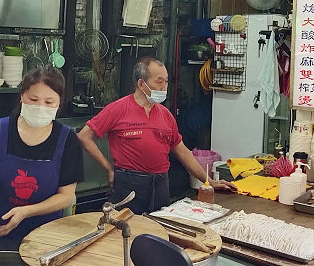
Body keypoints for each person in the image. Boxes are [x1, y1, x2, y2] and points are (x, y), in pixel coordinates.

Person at [78, 56, 236, 214]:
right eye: (159, 82)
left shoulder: (165, 115)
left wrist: (210, 182)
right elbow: (84, 136)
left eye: (166, 82)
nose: (164, 87)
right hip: (129, 185)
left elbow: (183, 152)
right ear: (141, 84)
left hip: (160, 185)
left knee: (159, 232)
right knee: (126, 232)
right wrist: (108, 169)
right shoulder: (118, 109)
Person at [0, 66, 83, 251]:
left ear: (59, 103)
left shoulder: (68, 140)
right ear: (22, 95)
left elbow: (66, 196)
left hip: (44, 238)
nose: (40, 107)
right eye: (34, 99)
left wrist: (25, 212)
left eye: (49, 102)